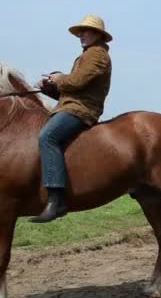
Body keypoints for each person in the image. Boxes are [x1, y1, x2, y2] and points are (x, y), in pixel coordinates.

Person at [30, 15, 113, 223]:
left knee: (48, 137)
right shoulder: (87, 55)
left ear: (98, 35)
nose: (82, 36)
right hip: (73, 105)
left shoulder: (97, 54)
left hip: (83, 110)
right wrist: (48, 87)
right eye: (81, 32)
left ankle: (57, 200)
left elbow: (76, 82)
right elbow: (69, 93)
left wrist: (59, 78)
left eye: (87, 31)